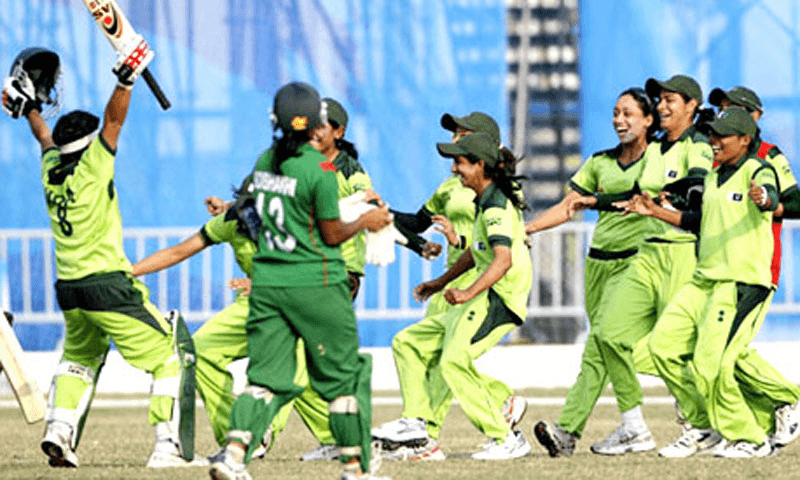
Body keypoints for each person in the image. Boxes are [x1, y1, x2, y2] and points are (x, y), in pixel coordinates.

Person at [2, 41, 198, 467]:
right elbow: (113, 118)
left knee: (79, 358)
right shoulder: (95, 164)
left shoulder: (50, 167)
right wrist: (126, 79)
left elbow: (43, 135)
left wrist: (28, 107)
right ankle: (168, 447)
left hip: (70, 288)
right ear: (90, 146)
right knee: (169, 353)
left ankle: (59, 431)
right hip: (108, 283)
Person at [208, 82, 392, 480]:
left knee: (264, 380)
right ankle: (356, 469)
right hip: (317, 281)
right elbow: (331, 234)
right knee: (346, 376)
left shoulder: (263, 162)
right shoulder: (321, 170)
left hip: (269, 284)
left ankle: (235, 454)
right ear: (318, 123)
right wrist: (366, 221)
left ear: (275, 119)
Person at [568, 74, 715, 456]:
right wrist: (597, 202)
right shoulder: (658, 147)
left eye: (670, 100)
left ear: (691, 107)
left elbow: (697, 188)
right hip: (647, 254)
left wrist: (668, 196)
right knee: (609, 334)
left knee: (678, 350)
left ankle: (705, 422)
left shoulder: (697, 143)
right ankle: (635, 427)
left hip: (680, 253)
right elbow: (639, 194)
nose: (662, 106)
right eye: (660, 100)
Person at [372, 113, 527, 461]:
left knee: (451, 362)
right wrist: (378, 213)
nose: (455, 152)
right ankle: (420, 426)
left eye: (462, 138)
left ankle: (473, 434)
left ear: (483, 153)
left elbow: (502, 257)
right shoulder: (469, 193)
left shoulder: (498, 197)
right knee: (409, 344)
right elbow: (477, 247)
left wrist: (466, 282)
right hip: (459, 286)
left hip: (489, 292)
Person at [634, 107, 779, 457]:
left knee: (712, 364)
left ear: (745, 139)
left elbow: (771, 197)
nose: (713, 141)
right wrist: (656, 211)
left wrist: (764, 198)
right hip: (704, 280)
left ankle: (750, 437)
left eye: (721, 136)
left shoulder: (757, 170)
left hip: (739, 282)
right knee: (659, 348)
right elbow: (699, 220)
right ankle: (702, 425)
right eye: (711, 135)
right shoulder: (714, 176)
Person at [529, 87, 657, 456]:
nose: (619, 120)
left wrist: (596, 200)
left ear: (648, 120)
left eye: (629, 113)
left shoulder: (659, 160)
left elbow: (638, 200)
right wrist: (529, 229)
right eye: (616, 113)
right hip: (597, 263)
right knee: (598, 347)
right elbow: (569, 205)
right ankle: (569, 434)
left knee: (605, 340)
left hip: (634, 263)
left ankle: (630, 426)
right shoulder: (600, 161)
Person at [706, 86, 800, 448]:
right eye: (720, 108)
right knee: (714, 348)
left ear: (753, 117)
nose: (721, 114)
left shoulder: (767, 156)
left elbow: (794, 201)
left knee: (729, 350)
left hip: (754, 265)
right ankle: (746, 419)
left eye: (730, 108)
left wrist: (768, 203)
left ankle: (785, 400)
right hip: (715, 267)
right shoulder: (717, 156)